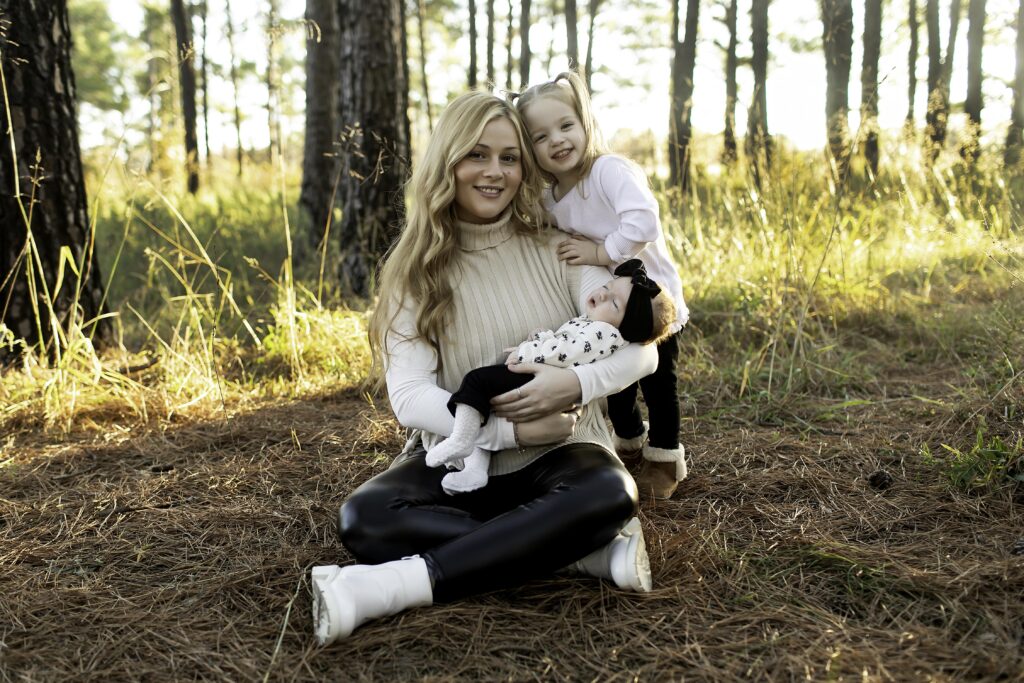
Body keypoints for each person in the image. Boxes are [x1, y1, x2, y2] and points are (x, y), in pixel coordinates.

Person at [310, 90, 659, 646]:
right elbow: (409, 395)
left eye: (510, 157)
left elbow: (644, 349)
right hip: (461, 457)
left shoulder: (562, 252)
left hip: (564, 456)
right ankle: (575, 552)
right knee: (366, 518)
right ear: (447, 161)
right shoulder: (414, 274)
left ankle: (390, 586)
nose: (494, 172)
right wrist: (508, 430)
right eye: (477, 154)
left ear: (525, 168)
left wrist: (573, 383)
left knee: (610, 494)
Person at [513, 70, 690, 500]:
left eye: (565, 126)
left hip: (649, 301)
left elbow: (643, 222)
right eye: (540, 136)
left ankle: (665, 456)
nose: (556, 140)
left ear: (585, 123)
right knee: (616, 382)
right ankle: (628, 439)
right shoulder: (552, 197)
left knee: (658, 380)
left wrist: (600, 253)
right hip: (604, 303)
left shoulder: (608, 171)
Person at [427, 259, 675, 495]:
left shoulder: (603, 333)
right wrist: (541, 337)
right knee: (487, 409)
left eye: (614, 304)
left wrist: (526, 351)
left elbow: (561, 354)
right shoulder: (597, 323)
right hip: (539, 387)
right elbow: (564, 343)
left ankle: (461, 439)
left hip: (536, 380)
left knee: (476, 382)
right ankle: (475, 469)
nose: (601, 294)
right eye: (607, 287)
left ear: (627, 327)